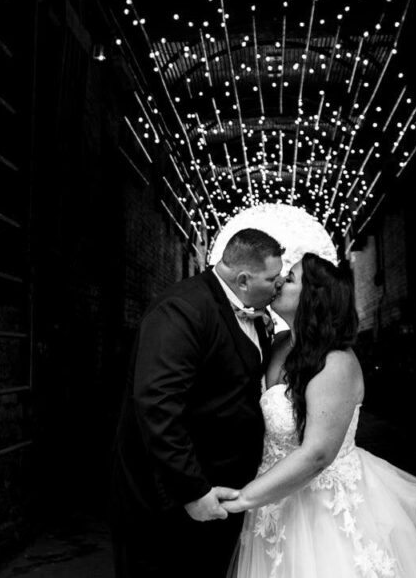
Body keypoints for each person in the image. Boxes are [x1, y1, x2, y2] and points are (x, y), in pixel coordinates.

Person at [223, 253, 416, 577]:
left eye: (290, 278)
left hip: (325, 509)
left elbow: (318, 454)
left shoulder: (336, 362)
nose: (279, 281)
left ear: (314, 299)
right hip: (274, 506)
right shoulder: (277, 343)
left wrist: (244, 498)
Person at [110, 227, 285, 578]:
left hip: (223, 492)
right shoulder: (183, 309)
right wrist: (192, 490)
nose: (279, 284)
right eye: (273, 278)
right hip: (172, 501)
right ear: (244, 279)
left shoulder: (253, 312)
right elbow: (158, 403)